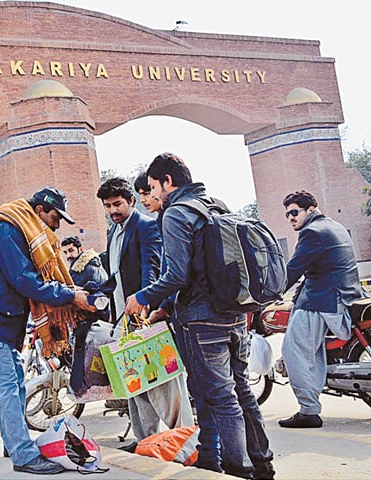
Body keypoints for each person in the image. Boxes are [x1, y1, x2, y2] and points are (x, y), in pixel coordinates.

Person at [124, 153, 274, 479]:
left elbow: (176, 274)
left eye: (153, 187)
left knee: (220, 398)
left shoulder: (176, 213)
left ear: (168, 181)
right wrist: (165, 307)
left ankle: (238, 469)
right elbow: (202, 267)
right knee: (236, 391)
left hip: (202, 321)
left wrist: (143, 297)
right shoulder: (214, 204)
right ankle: (250, 462)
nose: (153, 195)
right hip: (234, 314)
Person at [0, 186, 97, 475]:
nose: (57, 226)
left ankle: (15, 442)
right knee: (6, 390)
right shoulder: (7, 232)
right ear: (39, 211)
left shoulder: (20, 230)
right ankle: (23, 455)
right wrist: (70, 295)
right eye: (55, 217)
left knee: (16, 385)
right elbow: (25, 281)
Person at [97, 176, 194, 446]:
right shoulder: (112, 232)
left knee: (165, 383)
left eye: (117, 204)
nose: (112, 210)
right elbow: (114, 275)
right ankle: (146, 442)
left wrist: (147, 305)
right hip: (122, 320)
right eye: (107, 206)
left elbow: (152, 269)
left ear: (131, 201)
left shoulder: (146, 227)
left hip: (145, 318)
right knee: (134, 385)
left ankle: (185, 440)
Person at [279, 190, 366, 428]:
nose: (291, 218)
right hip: (343, 294)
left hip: (323, 300)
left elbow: (293, 269)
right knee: (312, 350)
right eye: (287, 215)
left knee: (292, 350)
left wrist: (267, 293)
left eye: (294, 212)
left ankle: (308, 410)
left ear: (311, 209)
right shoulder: (333, 226)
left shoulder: (312, 233)